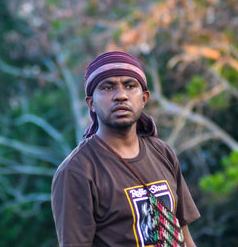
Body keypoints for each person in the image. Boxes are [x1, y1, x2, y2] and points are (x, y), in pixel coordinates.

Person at [51, 51, 200, 247]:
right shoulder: (77, 170)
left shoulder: (162, 153)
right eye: (107, 87)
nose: (121, 95)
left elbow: (183, 234)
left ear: (144, 98)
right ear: (91, 104)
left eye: (130, 86)